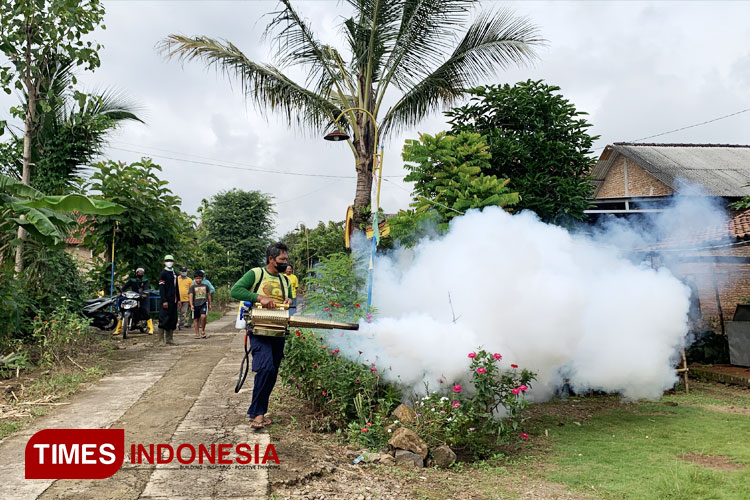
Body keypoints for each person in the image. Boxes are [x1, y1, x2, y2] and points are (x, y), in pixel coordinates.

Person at [230, 242, 292, 429]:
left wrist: (289, 300)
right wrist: (260, 298)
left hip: (278, 330)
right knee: (264, 368)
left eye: (286, 259)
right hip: (259, 329)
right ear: (271, 259)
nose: (285, 263)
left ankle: (260, 411)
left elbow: (287, 300)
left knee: (272, 372)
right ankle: (257, 414)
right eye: (281, 259)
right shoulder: (256, 274)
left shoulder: (285, 280)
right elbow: (235, 291)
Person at [113, 268, 154, 335]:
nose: (140, 273)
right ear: (136, 273)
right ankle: (118, 329)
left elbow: (146, 288)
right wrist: (120, 292)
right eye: (139, 272)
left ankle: (151, 328)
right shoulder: (132, 280)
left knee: (144, 310)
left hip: (141, 298)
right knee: (123, 311)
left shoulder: (145, 281)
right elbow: (125, 287)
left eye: (142, 272)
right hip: (132, 297)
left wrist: (144, 294)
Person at [158, 254, 179, 345]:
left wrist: (178, 299)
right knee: (163, 319)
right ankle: (161, 340)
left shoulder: (174, 273)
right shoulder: (163, 274)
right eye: (167, 261)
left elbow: (176, 287)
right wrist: (164, 300)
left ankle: (170, 339)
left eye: (170, 260)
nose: (169, 262)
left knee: (172, 319)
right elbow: (162, 289)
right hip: (166, 300)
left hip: (173, 301)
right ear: (164, 262)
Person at [189, 270, 212, 339]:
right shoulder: (192, 287)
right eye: (196, 278)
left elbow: (208, 295)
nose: (198, 280)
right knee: (196, 319)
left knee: (203, 317)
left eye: (199, 278)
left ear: (202, 278)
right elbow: (190, 296)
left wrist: (210, 304)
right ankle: (197, 333)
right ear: (194, 279)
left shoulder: (206, 286)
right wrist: (191, 305)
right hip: (195, 304)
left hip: (203, 304)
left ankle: (202, 331)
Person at [177, 266, 193, 331]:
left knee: (183, 313)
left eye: (185, 271)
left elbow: (191, 290)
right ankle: (173, 325)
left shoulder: (189, 280)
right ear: (180, 272)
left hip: (186, 299)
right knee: (175, 313)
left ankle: (181, 325)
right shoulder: (176, 279)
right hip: (177, 299)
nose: (184, 273)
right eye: (183, 271)